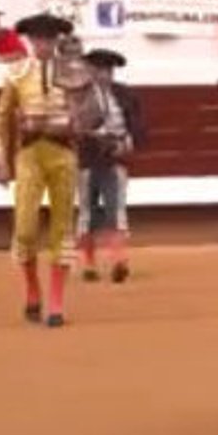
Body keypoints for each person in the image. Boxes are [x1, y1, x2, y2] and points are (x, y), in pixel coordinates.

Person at [0, 13, 81, 327]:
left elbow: (88, 118)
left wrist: (75, 121)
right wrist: (0, 159)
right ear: (31, 41)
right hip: (29, 155)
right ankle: (32, 290)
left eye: (49, 39)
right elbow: (0, 120)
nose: (43, 45)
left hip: (63, 154)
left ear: (56, 42)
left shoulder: (75, 74)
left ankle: (56, 303)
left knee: (62, 229)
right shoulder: (17, 73)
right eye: (38, 39)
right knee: (25, 227)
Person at [74, 49, 146, 284]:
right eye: (99, 69)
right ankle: (88, 264)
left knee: (116, 209)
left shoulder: (125, 95)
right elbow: (72, 127)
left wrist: (125, 145)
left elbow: (138, 128)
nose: (104, 74)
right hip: (87, 157)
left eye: (108, 70)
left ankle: (119, 260)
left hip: (114, 158)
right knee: (87, 211)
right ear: (90, 71)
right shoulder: (79, 96)